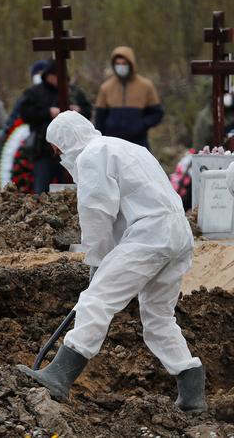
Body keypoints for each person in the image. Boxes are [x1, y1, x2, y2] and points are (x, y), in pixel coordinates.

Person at [18, 111, 206, 414]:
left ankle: (59, 375)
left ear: (63, 141)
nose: (59, 156)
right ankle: (191, 385)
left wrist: (97, 261)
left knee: (95, 300)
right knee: (158, 317)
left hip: (149, 236)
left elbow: (96, 211)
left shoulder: (93, 156)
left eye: (56, 149)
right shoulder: (127, 147)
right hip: (178, 235)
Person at [19, 59, 92, 194]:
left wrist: (78, 110)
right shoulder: (34, 92)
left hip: (72, 151)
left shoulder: (74, 92)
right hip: (43, 150)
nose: (56, 79)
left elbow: (88, 112)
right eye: (53, 76)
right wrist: (48, 112)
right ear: (46, 75)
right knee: (41, 189)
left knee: (72, 190)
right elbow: (25, 113)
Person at [95, 46, 164, 149]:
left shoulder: (145, 86)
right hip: (112, 144)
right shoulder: (106, 87)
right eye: (117, 64)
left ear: (131, 64)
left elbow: (157, 113)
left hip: (138, 143)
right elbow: (99, 119)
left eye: (124, 64)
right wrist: (100, 141)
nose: (121, 67)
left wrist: (142, 124)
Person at [5, 60, 48, 131]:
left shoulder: (56, 94)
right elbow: (13, 119)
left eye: (42, 73)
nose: (40, 76)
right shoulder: (28, 95)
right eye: (38, 74)